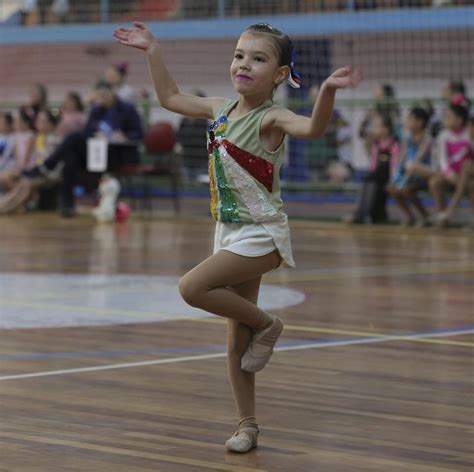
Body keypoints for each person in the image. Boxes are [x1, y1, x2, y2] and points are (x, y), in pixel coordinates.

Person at [114, 21, 360, 453]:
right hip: (227, 232)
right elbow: (170, 98)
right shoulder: (220, 109)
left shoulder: (273, 118)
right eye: (239, 55)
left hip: (262, 233)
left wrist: (327, 92)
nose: (244, 64)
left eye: (258, 58)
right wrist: (153, 50)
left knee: (192, 287)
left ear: (280, 75)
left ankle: (270, 324)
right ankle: (247, 426)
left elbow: (314, 129)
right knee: (236, 343)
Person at [23, 81, 143, 217]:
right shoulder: (97, 110)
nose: (101, 99)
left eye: (104, 95)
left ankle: (48, 165)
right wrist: (95, 135)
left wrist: (123, 136)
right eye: (99, 96)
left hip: (118, 153)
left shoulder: (127, 109)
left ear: (112, 93)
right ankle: (67, 205)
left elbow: (138, 133)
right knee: (70, 155)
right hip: (96, 152)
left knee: (73, 140)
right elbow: (87, 132)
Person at [428, 95, 473, 227]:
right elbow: (443, 159)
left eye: (448, 117)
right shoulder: (444, 135)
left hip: (469, 173)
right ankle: (444, 216)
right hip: (452, 174)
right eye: (444, 116)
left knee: (468, 176)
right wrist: (449, 173)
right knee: (435, 182)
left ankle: (456, 210)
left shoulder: (469, 133)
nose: (444, 120)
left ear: (459, 120)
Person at [347, 112, 399, 224]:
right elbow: (373, 164)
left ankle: (364, 213)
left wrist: (393, 180)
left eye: (377, 126)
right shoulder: (377, 144)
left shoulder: (394, 143)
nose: (374, 129)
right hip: (377, 176)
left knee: (371, 179)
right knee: (369, 181)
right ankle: (362, 213)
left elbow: (394, 164)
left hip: (388, 176)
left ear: (386, 128)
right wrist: (365, 120)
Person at [386, 106, 432, 226]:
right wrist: (396, 178)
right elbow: (402, 158)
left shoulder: (427, 139)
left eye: (410, 119)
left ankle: (425, 216)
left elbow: (417, 160)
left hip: (423, 174)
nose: (407, 121)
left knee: (406, 189)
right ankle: (409, 216)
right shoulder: (407, 137)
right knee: (391, 188)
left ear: (420, 122)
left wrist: (403, 180)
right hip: (409, 173)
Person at [175, 89, 209, 182]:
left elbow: (205, 141)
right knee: (187, 184)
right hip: (186, 159)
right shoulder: (184, 121)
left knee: (199, 186)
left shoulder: (204, 122)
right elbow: (179, 137)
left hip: (201, 160)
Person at [0, 109, 35, 192]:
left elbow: (27, 155)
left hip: (26, 167)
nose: (16, 125)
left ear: (26, 123)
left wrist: (20, 168)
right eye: (15, 122)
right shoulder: (15, 136)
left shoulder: (30, 135)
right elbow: (16, 154)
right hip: (16, 166)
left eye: (18, 122)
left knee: (5, 178)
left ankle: (19, 195)